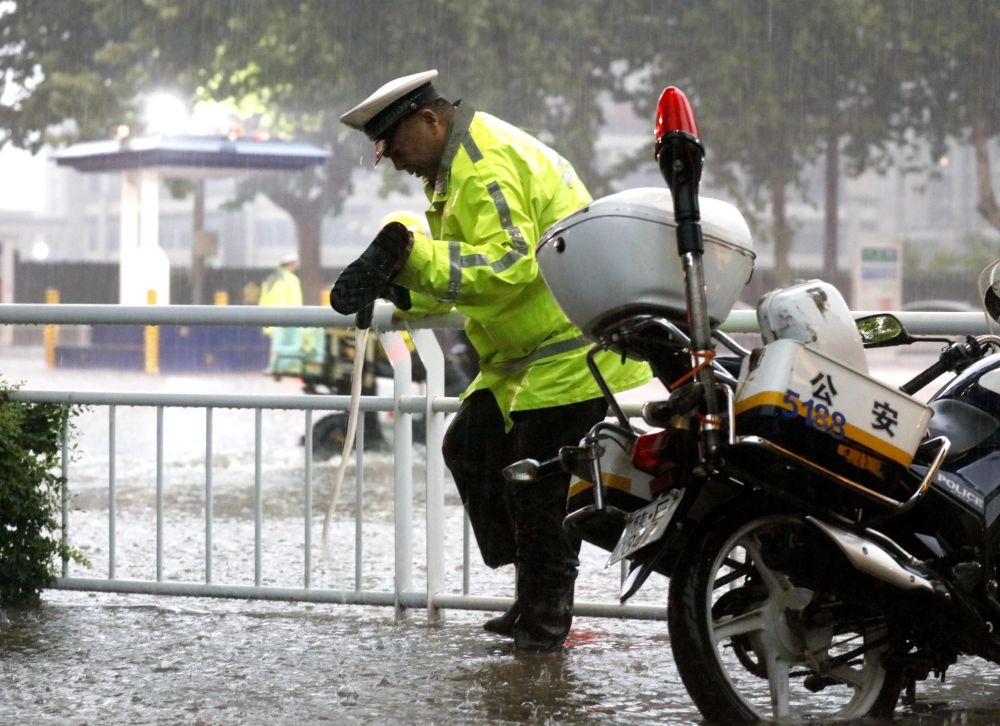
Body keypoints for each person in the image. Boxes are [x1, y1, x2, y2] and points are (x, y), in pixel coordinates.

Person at [331, 70, 650, 651]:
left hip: (569, 356)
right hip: (523, 361)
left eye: (394, 145)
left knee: (538, 493)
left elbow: (508, 266)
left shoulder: (483, 163)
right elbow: (464, 273)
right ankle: (535, 590)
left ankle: (545, 625)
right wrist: (401, 287)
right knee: (469, 450)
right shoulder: (455, 170)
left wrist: (408, 260)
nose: (392, 161)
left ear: (430, 120)